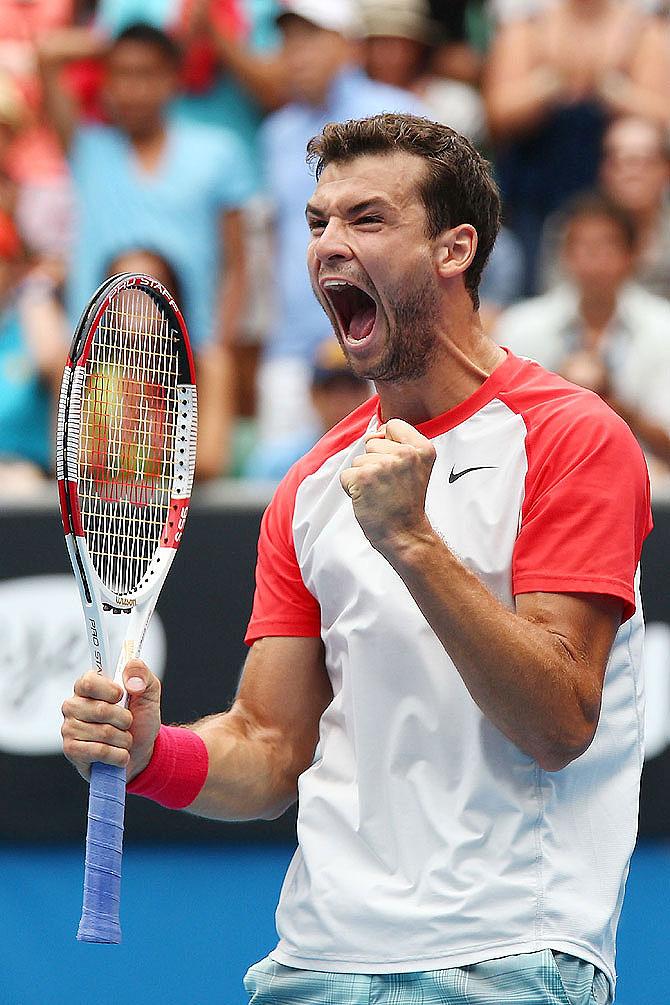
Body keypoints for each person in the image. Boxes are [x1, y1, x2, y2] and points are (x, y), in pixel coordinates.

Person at [62, 114, 651, 1005]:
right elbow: (269, 747)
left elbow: (560, 718)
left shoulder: (574, 438)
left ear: (456, 250)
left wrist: (411, 540)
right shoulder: (308, 485)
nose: (330, 246)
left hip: (503, 960)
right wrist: (151, 753)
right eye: (317, 223)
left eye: (367, 220)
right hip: (313, 961)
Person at [254, 0, 426, 469]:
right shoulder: (275, 133)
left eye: (311, 37)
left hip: (388, 344)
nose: (297, 52)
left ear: (348, 46)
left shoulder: (401, 114)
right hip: (291, 347)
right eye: (289, 39)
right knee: (284, 504)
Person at [37, 21, 253, 355]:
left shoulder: (218, 152)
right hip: (97, 361)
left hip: (186, 358)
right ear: (105, 83)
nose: (133, 89)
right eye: (121, 74)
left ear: (173, 79)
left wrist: (217, 348)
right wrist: (118, 43)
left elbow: (237, 266)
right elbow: (50, 55)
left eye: (147, 73)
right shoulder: (87, 148)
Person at [483, 0, 669, 293]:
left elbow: (661, 116)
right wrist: (553, 82)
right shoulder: (527, 26)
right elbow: (497, 115)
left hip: (613, 194)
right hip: (536, 197)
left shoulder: (644, 28)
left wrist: (611, 88)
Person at [494, 191, 670, 483]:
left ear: (632, 254)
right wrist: (558, 395)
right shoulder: (520, 325)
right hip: (542, 480)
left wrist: (611, 402)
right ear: (564, 254)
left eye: (606, 246)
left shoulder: (665, 328)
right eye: (582, 246)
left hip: (649, 487)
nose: (594, 258)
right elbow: (498, 432)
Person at [540, 116, 670, 301]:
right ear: (604, 170)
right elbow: (554, 303)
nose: (632, 173)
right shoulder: (569, 226)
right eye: (619, 161)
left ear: (666, 169)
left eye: (644, 162)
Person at [244, 337, 370, 480]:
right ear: (313, 394)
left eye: (352, 389)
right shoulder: (274, 463)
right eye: (330, 389)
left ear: (366, 393)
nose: (341, 399)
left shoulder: (381, 458)